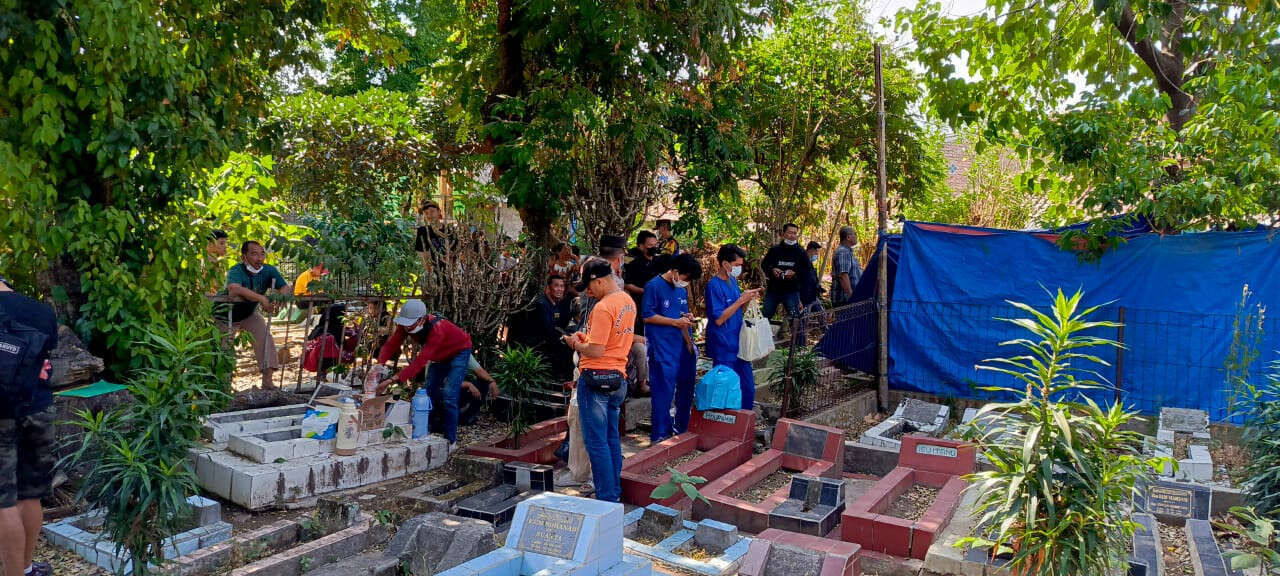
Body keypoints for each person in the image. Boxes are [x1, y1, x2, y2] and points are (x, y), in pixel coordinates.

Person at [562, 260, 635, 503]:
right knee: (612, 438)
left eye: (590, 286)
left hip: (595, 379)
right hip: (618, 378)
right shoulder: (627, 302)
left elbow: (595, 350)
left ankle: (607, 497)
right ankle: (614, 491)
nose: (587, 291)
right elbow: (609, 340)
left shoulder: (603, 307)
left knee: (596, 442)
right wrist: (587, 338)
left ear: (600, 279)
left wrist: (575, 343)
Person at [0, 276, 58, 576]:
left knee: (3, 501)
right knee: (30, 493)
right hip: (37, 408)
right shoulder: (40, 311)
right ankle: (25, 567)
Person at [375, 299, 472, 450]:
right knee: (428, 392)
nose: (407, 327)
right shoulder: (404, 326)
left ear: (422, 319)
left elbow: (420, 361)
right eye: (405, 323)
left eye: (410, 323)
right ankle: (425, 430)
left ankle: (451, 440)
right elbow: (391, 345)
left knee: (449, 395)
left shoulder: (438, 329)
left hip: (459, 351)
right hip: (440, 355)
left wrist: (391, 380)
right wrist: (379, 365)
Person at [213, 241, 293, 389]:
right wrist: (262, 298)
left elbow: (285, 287)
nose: (260, 258)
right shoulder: (236, 270)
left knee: (264, 337)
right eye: (254, 254)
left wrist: (278, 298)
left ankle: (268, 382)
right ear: (244, 257)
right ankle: (222, 386)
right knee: (223, 348)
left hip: (248, 313)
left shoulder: (269, 270)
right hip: (225, 314)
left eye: (262, 253)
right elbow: (234, 289)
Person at [642, 254, 702, 441]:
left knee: (687, 387)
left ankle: (681, 429)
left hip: (683, 343)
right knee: (663, 391)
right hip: (662, 346)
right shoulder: (653, 286)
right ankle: (660, 434)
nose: (687, 282)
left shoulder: (681, 290)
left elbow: (679, 313)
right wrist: (674, 322)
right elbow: (647, 316)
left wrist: (687, 317)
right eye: (686, 278)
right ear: (675, 271)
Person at [705, 245, 762, 410]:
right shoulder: (714, 286)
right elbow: (719, 319)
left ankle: (744, 422)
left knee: (747, 387)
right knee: (726, 390)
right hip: (723, 345)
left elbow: (738, 310)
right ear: (725, 264)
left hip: (739, 342)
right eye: (737, 265)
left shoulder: (733, 281)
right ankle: (725, 425)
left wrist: (747, 299)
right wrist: (739, 301)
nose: (739, 268)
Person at [624, 231, 661, 395]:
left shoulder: (660, 261)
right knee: (641, 344)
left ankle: (655, 377)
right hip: (638, 307)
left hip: (658, 308)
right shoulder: (633, 262)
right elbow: (627, 285)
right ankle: (641, 381)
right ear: (641, 246)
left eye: (655, 244)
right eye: (650, 245)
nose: (654, 248)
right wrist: (645, 291)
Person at [760, 223, 814, 322]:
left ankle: (796, 337)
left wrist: (795, 273)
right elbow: (764, 264)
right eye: (790, 233)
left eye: (795, 233)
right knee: (765, 317)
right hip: (773, 289)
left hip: (792, 291)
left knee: (796, 319)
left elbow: (807, 270)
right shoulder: (775, 250)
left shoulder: (801, 252)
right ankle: (761, 336)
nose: (792, 236)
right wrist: (772, 269)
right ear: (783, 233)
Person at [414, 200, 457, 273]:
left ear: (439, 212)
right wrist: (431, 274)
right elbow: (423, 257)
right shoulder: (423, 231)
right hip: (432, 273)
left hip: (450, 272)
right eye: (426, 213)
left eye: (432, 211)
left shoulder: (451, 232)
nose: (429, 215)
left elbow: (456, 254)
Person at [459, 357, 500, 426]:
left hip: (457, 386)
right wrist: (467, 385)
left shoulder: (464, 351)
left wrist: (491, 381)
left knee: (483, 382)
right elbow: (444, 381)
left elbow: (478, 370)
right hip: (443, 389)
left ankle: (468, 417)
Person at [830, 226, 862, 307]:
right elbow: (843, 276)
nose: (856, 236)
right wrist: (851, 296)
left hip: (847, 299)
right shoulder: (843, 252)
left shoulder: (848, 251)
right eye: (854, 234)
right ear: (848, 237)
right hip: (844, 300)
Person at [801, 241, 826, 316]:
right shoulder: (802, 262)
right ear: (811, 250)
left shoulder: (810, 263)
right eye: (816, 252)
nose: (817, 254)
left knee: (822, 315)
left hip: (813, 296)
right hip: (805, 298)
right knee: (804, 319)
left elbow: (812, 278)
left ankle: (825, 328)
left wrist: (819, 288)